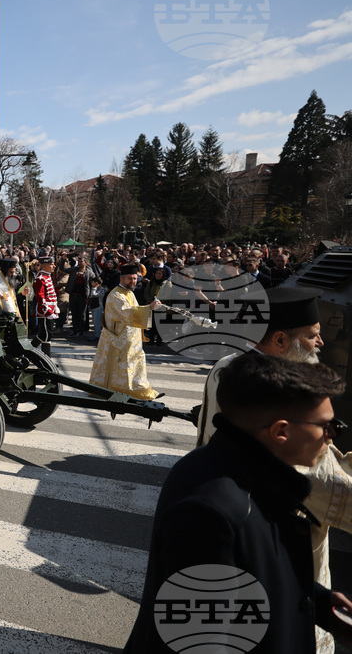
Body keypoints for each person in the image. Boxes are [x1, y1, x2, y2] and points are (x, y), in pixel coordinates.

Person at [123, 354, 352, 652]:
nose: (331, 436)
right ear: (281, 431)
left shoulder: (242, 473)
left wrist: (320, 603)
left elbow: (253, 574)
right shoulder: (210, 511)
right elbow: (197, 641)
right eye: (327, 426)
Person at [196, 287, 348, 653]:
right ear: (281, 340)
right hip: (282, 550)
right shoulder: (285, 398)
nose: (321, 342)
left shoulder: (229, 368)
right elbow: (325, 484)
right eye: (312, 335)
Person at [89, 263, 161, 400]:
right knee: (121, 365)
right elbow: (126, 313)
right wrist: (149, 308)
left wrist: (147, 309)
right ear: (122, 279)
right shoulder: (115, 295)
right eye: (130, 278)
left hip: (130, 338)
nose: (133, 281)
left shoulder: (129, 293)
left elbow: (135, 311)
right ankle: (115, 390)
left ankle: (137, 388)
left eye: (135, 278)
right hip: (117, 339)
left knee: (134, 363)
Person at [32, 257, 59, 351]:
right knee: (47, 335)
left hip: (51, 309)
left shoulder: (47, 276)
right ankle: (46, 360)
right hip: (45, 311)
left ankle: (29, 351)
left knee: (45, 334)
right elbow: (40, 296)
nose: (54, 266)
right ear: (44, 266)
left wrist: (55, 306)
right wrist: (48, 311)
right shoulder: (40, 278)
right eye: (52, 264)